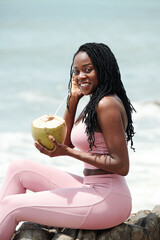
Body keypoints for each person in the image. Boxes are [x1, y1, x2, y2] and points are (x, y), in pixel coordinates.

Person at [0, 42, 135, 240]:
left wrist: (68, 152)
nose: (81, 76)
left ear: (103, 69)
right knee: (18, 168)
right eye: (77, 71)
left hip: (109, 199)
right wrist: (72, 100)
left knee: (11, 205)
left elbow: (122, 165)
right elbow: (66, 140)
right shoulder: (93, 102)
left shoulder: (107, 104)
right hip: (90, 186)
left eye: (88, 70)